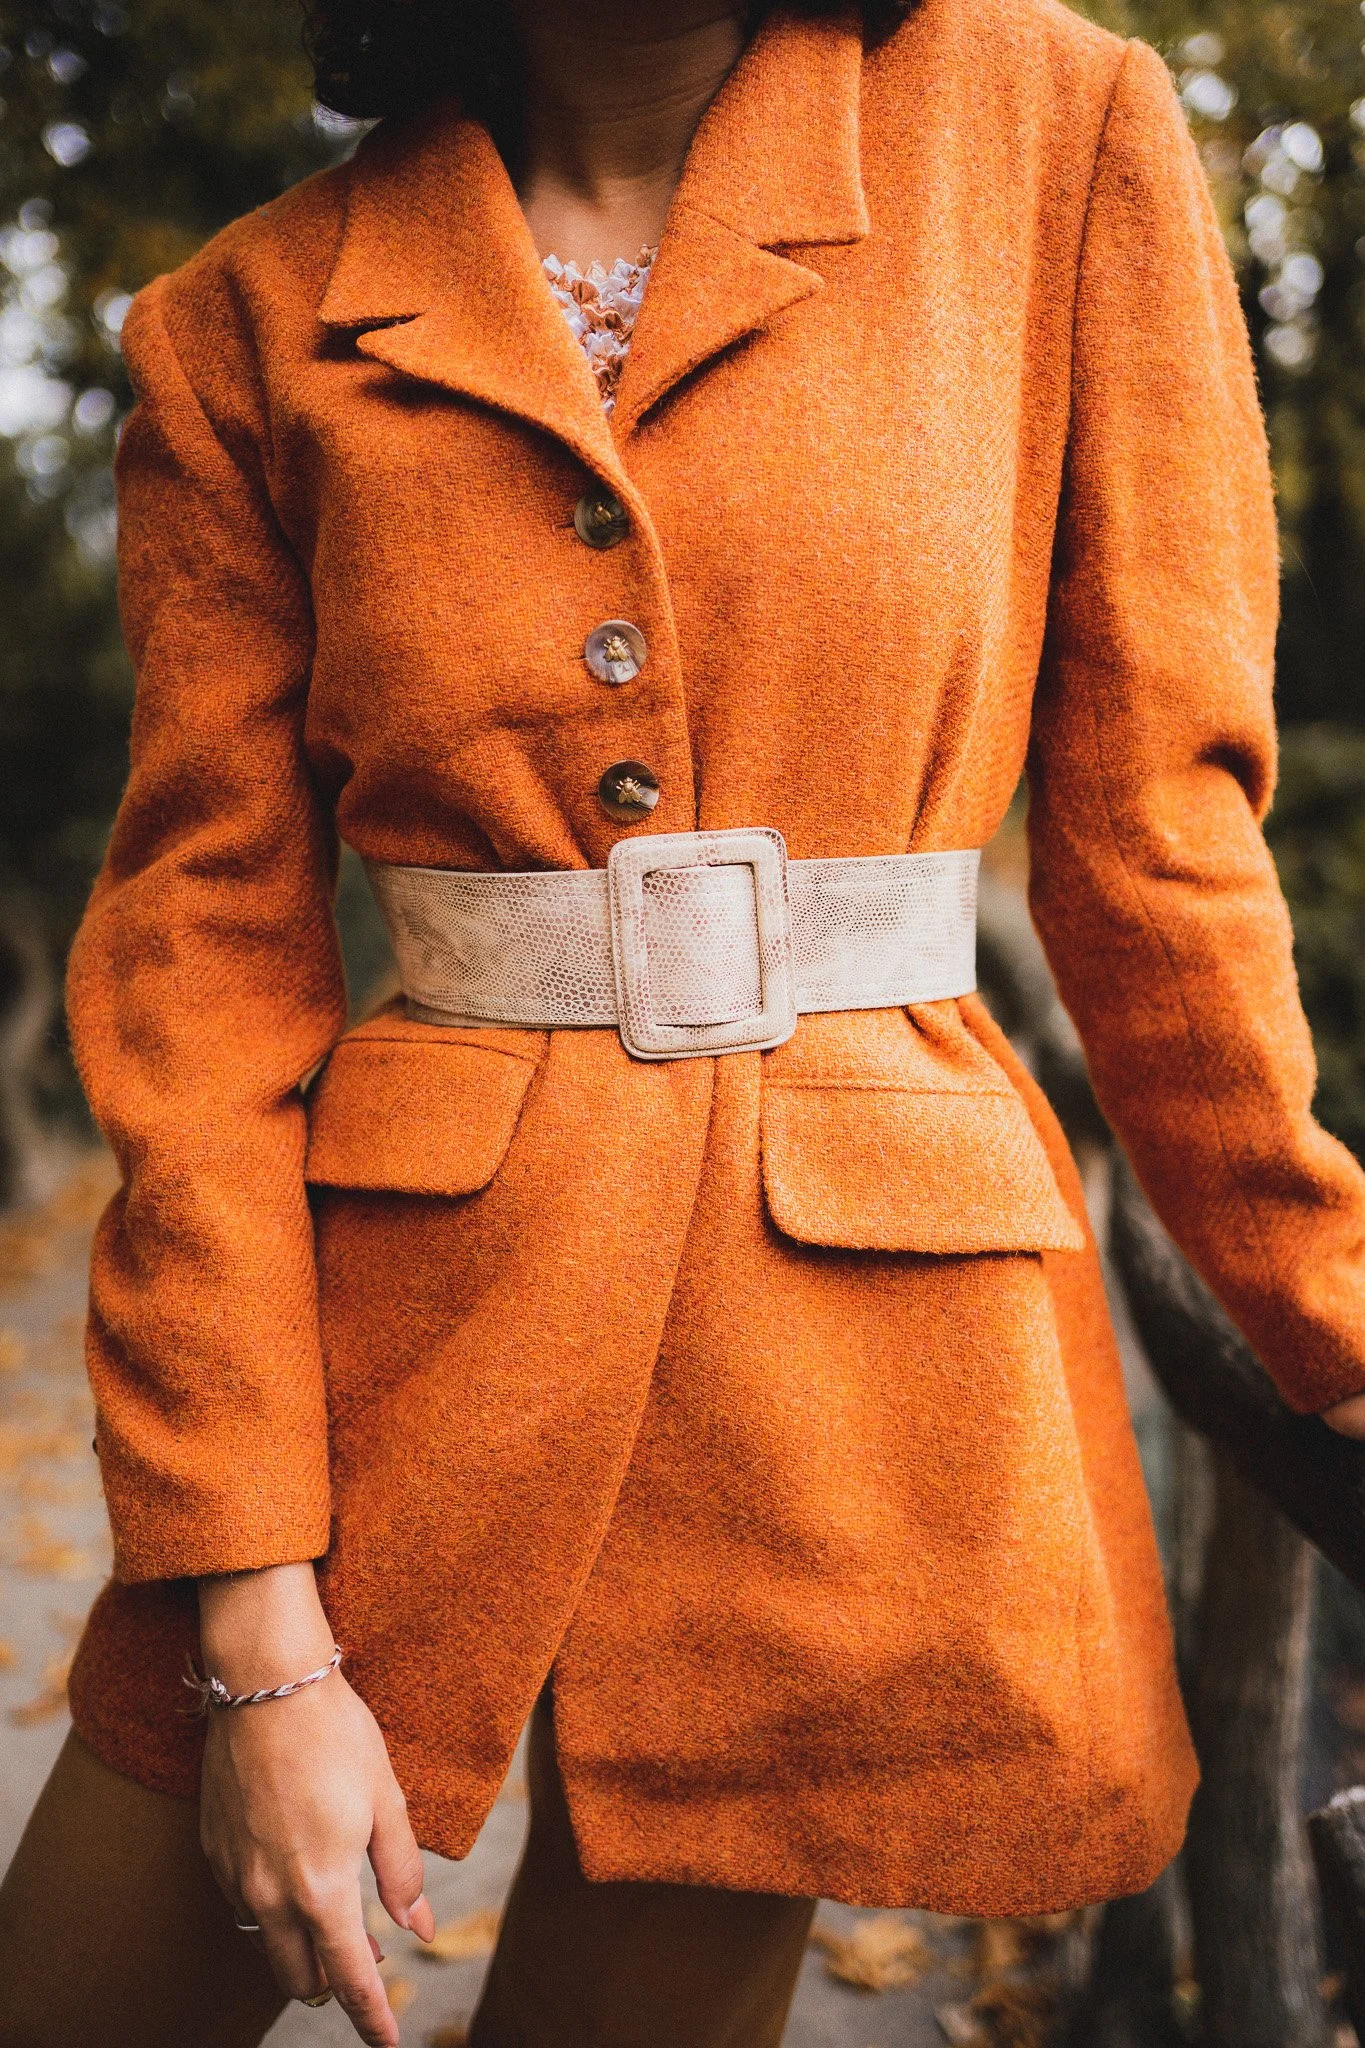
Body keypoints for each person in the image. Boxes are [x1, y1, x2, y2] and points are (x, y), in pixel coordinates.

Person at [5, 0, 1365, 2042]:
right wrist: (258, 1626)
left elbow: (1155, 826)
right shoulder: (243, 323)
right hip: (390, 1333)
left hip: (853, 1344)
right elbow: (199, 979)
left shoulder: (1055, 132)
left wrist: (1330, 1316)